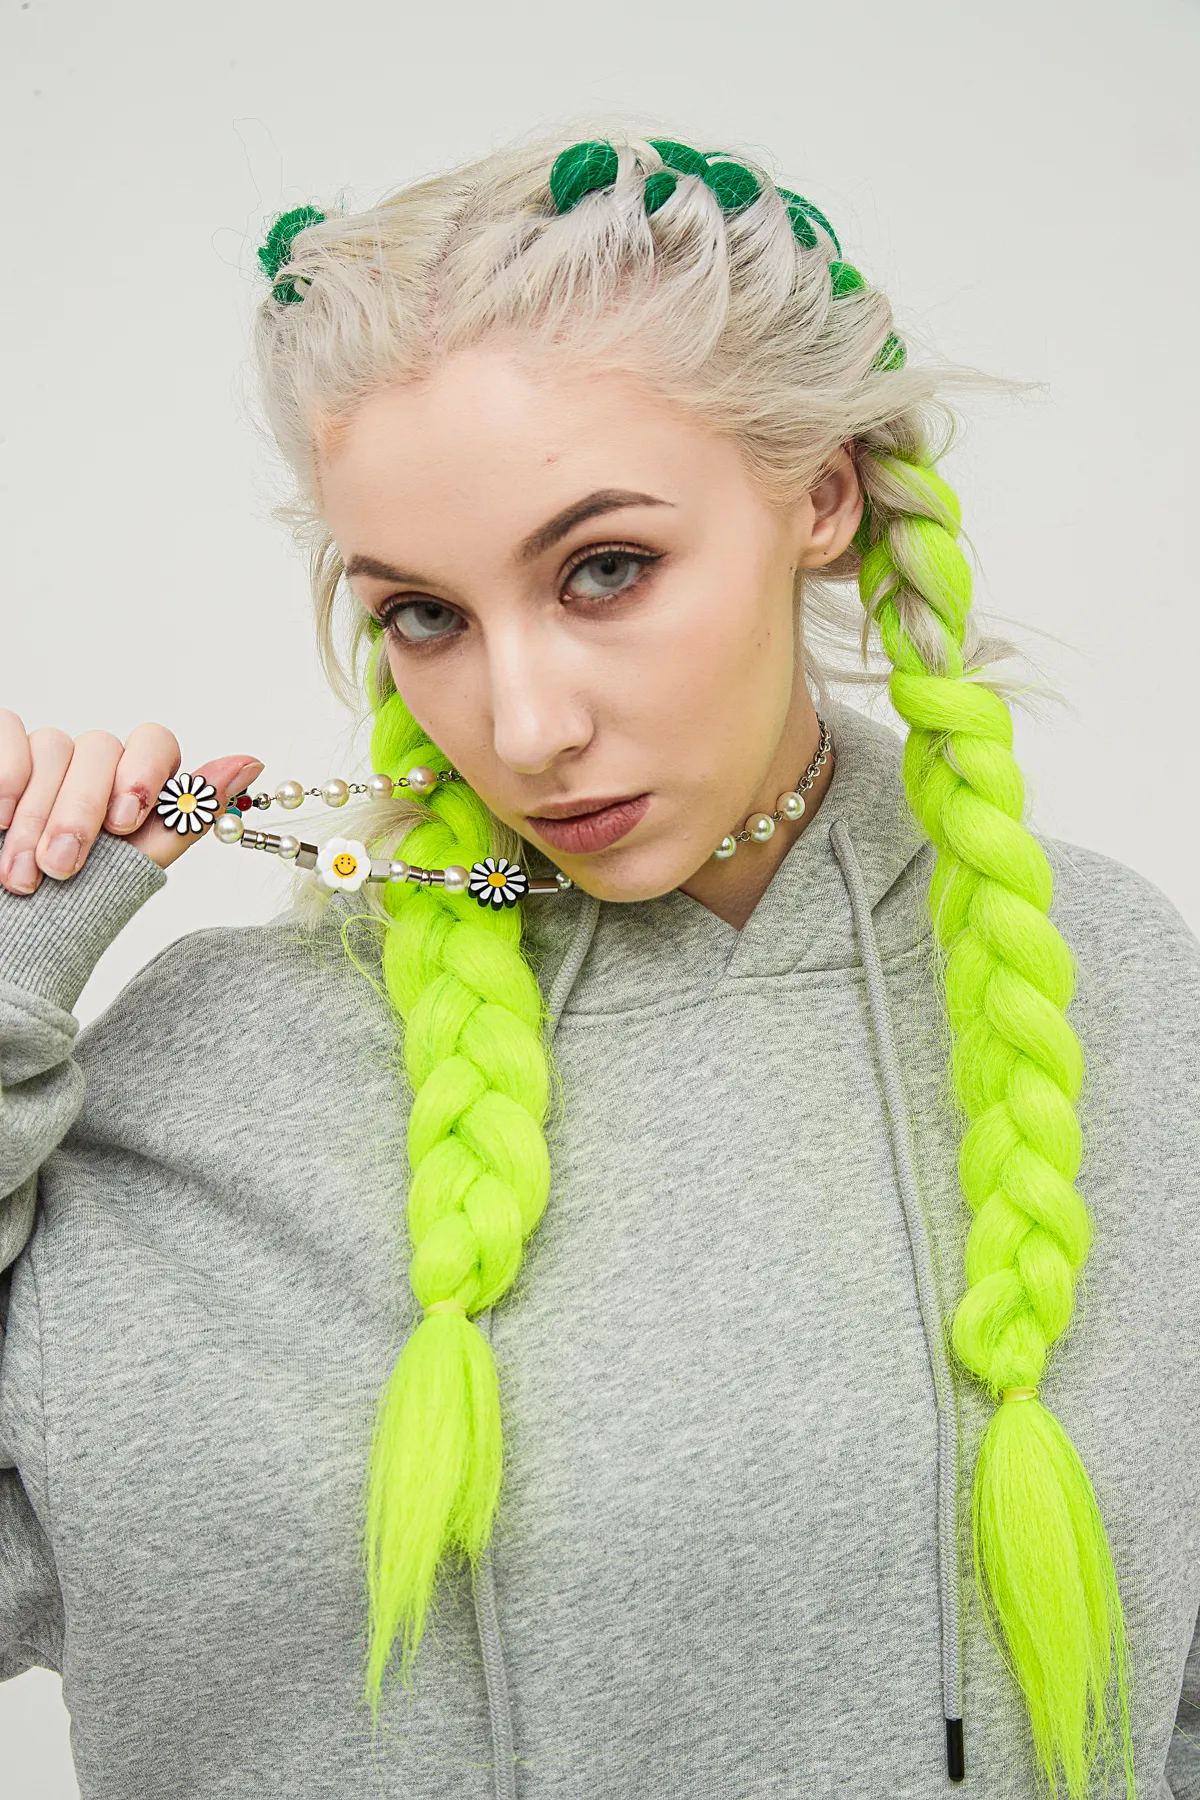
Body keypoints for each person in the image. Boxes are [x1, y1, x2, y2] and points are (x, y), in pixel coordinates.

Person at [1, 123, 1197, 1800]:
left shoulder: (1114, 991)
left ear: (824, 494)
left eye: (606, 571)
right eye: (425, 614)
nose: (526, 725)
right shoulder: (197, 1076)